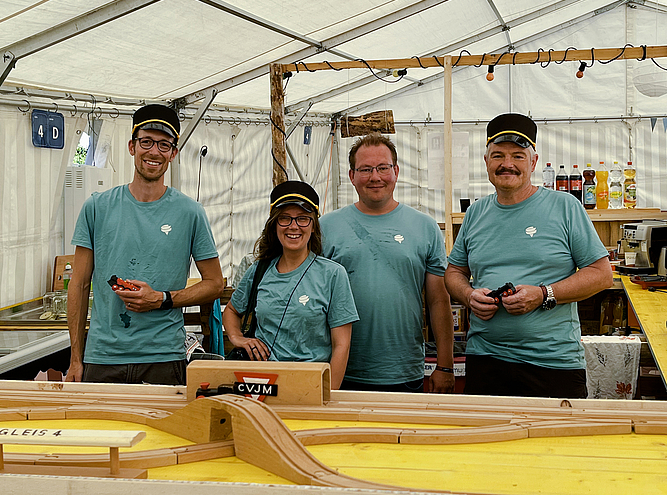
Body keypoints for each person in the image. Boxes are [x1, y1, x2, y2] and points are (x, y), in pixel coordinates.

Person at [444, 113, 613, 398]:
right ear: (486, 162)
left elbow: (601, 274)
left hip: (553, 363)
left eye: (518, 156)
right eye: (498, 155)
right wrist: (468, 295)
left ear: (533, 163)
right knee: (487, 441)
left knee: (557, 442)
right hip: (486, 360)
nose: (507, 164)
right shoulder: (475, 213)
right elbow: (454, 272)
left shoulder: (565, 207)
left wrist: (543, 294)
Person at [66, 104, 224, 385]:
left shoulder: (189, 212)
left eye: (164, 145)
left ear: (173, 154)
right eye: (146, 142)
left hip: (163, 357)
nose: (154, 152)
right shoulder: (97, 208)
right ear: (132, 146)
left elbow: (215, 283)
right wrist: (76, 359)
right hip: (103, 358)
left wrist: (162, 299)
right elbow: (78, 285)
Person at [320, 133, 455, 393]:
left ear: (396, 171)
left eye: (383, 168)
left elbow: (439, 301)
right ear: (351, 176)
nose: (375, 177)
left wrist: (445, 365)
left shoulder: (424, 226)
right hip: (340, 370)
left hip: (403, 370)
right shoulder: (327, 227)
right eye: (365, 169)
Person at [222, 181, 358, 390]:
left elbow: (342, 345)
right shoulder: (259, 270)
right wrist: (237, 338)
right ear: (274, 224)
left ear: (313, 226)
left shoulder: (332, 274)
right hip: (261, 385)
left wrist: (329, 394)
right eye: (285, 218)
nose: (293, 226)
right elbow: (232, 309)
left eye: (303, 219)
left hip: (309, 385)